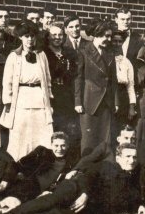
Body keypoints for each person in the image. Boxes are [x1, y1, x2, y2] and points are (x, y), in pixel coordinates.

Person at [0, 143, 145, 214]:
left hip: (90, 208)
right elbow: (88, 176)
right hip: (76, 189)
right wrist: (84, 194)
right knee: (51, 201)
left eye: (134, 157)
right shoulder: (106, 165)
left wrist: (140, 206)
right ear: (119, 157)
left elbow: (133, 196)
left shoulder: (134, 177)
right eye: (128, 156)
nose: (132, 160)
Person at [0, 131, 93, 214]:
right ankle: (9, 204)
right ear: (51, 145)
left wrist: (51, 190)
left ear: (67, 146)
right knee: (25, 190)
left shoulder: (72, 161)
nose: (59, 149)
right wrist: (4, 182)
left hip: (51, 190)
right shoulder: (41, 152)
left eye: (63, 146)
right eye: (56, 145)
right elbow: (16, 164)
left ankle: (10, 209)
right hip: (33, 184)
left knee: (40, 204)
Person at [0, 20, 54, 161]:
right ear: (20, 37)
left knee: (41, 135)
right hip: (21, 100)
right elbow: (7, 82)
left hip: (39, 99)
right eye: (26, 36)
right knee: (21, 136)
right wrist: (9, 103)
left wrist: (49, 99)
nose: (30, 39)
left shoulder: (41, 55)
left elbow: (47, 79)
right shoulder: (14, 56)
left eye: (32, 36)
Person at [75, 19, 120, 154]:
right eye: (106, 36)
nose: (109, 39)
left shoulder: (110, 53)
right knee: (89, 140)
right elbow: (78, 78)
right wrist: (77, 101)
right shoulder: (83, 52)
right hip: (89, 101)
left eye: (110, 36)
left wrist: (116, 101)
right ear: (96, 34)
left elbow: (114, 80)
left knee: (105, 140)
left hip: (106, 102)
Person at [44, 22, 80, 146]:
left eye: (60, 35)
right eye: (53, 34)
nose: (57, 37)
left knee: (67, 129)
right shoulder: (44, 53)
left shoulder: (70, 53)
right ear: (48, 36)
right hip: (51, 95)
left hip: (66, 95)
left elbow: (75, 74)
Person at [111, 29, 137, 139]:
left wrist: (131, 107)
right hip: (110, 95)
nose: (117, 44)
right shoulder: (107, 59)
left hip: (123, 98)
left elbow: (130, 86)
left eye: (119, 41)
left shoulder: (127, 62)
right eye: (114, 41)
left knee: (122, 129)